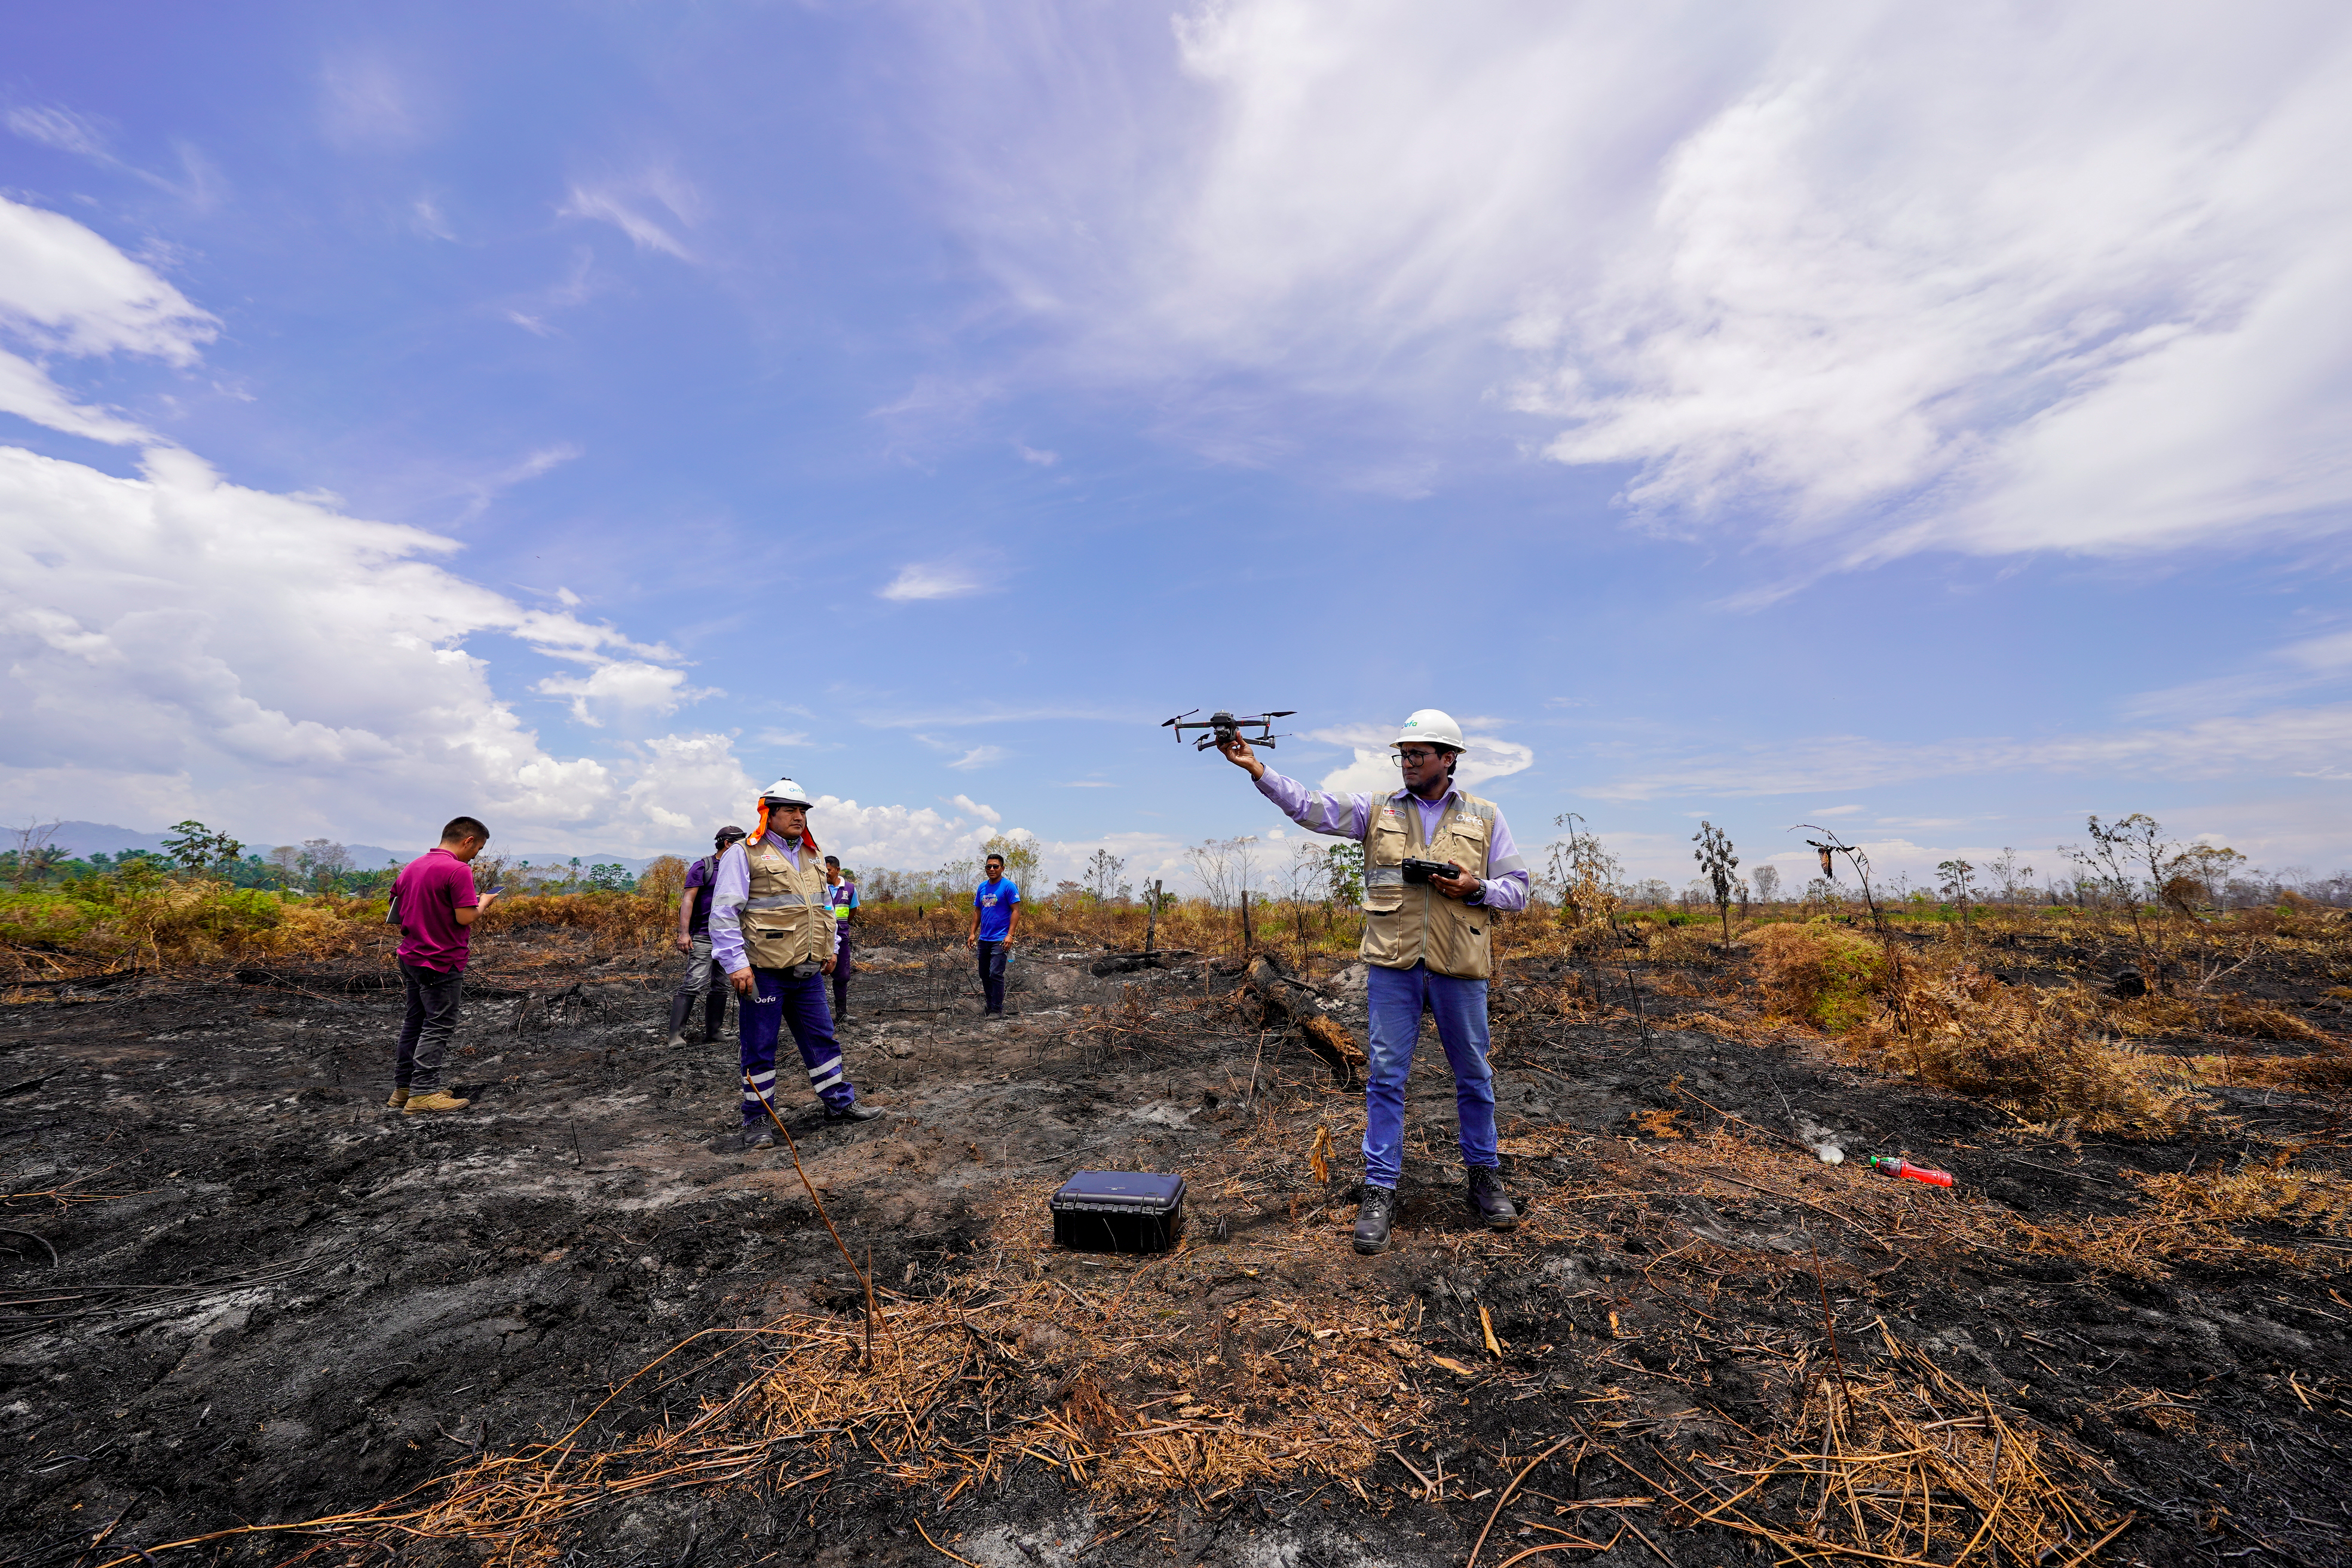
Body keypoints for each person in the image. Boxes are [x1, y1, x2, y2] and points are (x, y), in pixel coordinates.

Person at [1219, 709, 1530, 1254]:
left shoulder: (1485, 817)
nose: (1408, 761)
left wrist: (1478, 888)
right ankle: (1380, 1189)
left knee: (1474, 1077)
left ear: (1448, 758)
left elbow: (1519, 890)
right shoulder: (1377, 810)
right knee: (1386, 1079)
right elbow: (1312, 808)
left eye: (1419, 753)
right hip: (1395, 969)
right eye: (1403, 754)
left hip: (1460, 971)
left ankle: (1484, 1177)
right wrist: (1258, 770)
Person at [709, 777, 882, 1147]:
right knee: (760, 1047)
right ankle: (758, 1122)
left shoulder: (814, 856)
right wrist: (735, 963)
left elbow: (825, 909)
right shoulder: (744, 854)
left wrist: (832, 948)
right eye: (790, 809)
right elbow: (724, 914)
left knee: (822, 1039)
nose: (798, 817)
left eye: (803, 810)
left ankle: (839, 1104)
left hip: (808, 973)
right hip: (763, 973)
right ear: (768, 813)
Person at [387, 816, 503, 1115]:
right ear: (468, 841)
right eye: (477, 849)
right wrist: (486, 901)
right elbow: (465, 917)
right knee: (438, 1024)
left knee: (415, 1021)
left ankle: (405, 1089)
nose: (476, 855)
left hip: (411, 955)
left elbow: (397, 910)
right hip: (440, 959)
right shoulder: (457, 869)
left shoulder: (413, 866)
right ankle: (424, 1093)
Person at [666, 826, 746, 1047]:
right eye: (741, 843)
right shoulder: (704, 867)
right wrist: (684, 933)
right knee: (693, 983)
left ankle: (714, 1032)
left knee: (721, 985)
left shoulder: (742, 867)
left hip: (728, 935)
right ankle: (675, 1036)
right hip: (703, 934)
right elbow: (688, 900)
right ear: (728, 844)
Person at [966, 852, 1021, 1016]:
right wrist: (972, 933)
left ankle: (997, 1009)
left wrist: (1010, 935)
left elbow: (1016, 911)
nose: (992, 869)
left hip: (1000, 939)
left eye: (995, 866)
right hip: (984, 939)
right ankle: (989, 1006)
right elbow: (978, 910)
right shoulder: (982, 887)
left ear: (1002, 868)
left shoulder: (1008, 886)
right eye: (988, 866)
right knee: (984, 974)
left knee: (995, 973)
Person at [823, 855, 858, 1020]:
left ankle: (841, 1014)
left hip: (841, 938)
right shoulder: (819, 888)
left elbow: (853, 910)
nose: (826, 873)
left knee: (842, 976)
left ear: (837, 870)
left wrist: (842, 926)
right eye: (823, 870)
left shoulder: (850, 889)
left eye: (828, 870)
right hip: (820, 938)